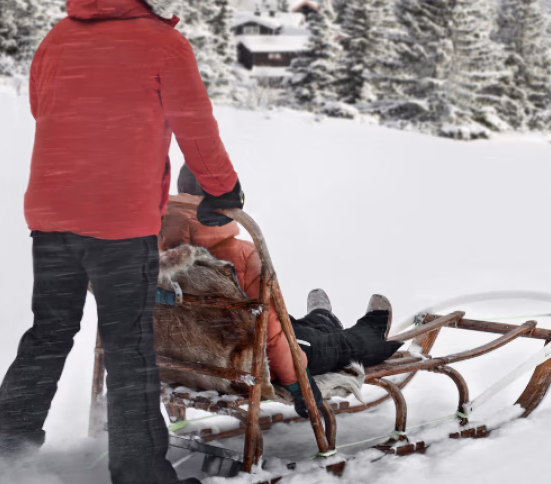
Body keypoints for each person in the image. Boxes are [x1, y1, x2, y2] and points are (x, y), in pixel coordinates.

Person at [0, 0, 244, 484]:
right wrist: (222, 189)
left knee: (49, 332)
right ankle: (143, 482)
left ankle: (8, 454)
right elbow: (195, 125)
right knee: (129, 344)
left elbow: (43, 108)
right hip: (120, 222)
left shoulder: (57, 36)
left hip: (52, 214)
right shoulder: (163, 43)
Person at [160, 165, 403, 415]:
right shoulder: (240, 254)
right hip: (245, 367)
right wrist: (298, 385)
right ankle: (371, 330)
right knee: (335, 344)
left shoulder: (154, 252)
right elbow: (272, 332)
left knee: (292, 327)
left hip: (191, 365)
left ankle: (321, 319)